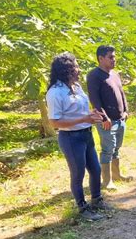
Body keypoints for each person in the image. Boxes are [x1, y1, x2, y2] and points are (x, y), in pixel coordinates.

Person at [46, 52, 110, 221]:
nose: (78, 69)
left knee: (95, 170)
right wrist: (84, 118)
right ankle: (82, 208)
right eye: (75, 66)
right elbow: (55, 122)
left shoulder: (76, 87)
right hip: (71, 138)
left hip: (86, 134)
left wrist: (91, 114)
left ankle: (97, 200)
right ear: (66, 69)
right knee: (78, 173)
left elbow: (79, 112)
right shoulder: (55, 93)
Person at [87, 45, 133, 190]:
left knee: (116, 148)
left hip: (120, 119)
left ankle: (117, 175)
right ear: (100, 58)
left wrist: (125, 111)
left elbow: (121, 93)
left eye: (114, 56)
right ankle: (107, 181)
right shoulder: (94, 76)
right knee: (107, 149)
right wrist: (104, 118)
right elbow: (94, 99)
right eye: (110, 57)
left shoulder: (115, 74)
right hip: (107, 121)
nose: (114, 59)